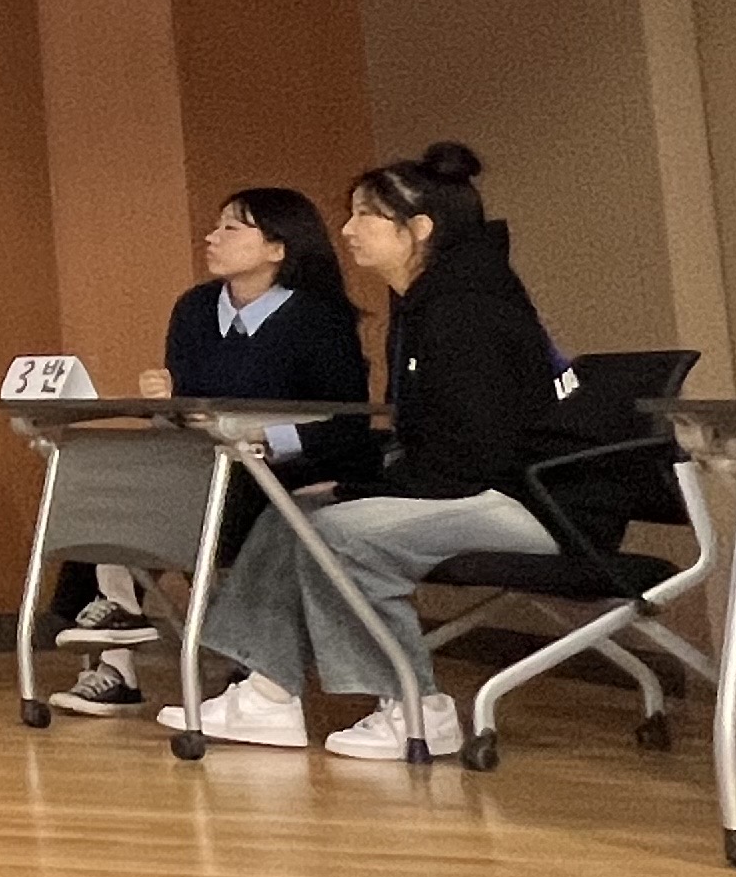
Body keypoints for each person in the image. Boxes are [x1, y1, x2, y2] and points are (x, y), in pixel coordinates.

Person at [168, 143, 573, 761]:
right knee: (291, 513)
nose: (348, 230)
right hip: (469, 485)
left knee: (337, 534)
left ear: (419, 229)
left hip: (525, 498)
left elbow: (475, 450)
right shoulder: (423, 300)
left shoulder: (467, 307)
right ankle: (269, 694)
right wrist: (359, 483)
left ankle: (416, 706)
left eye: (366, 216)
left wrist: (362, 489)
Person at [45, 188, 369, 718]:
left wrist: (263, 439)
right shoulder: (195, 309)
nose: (212, 238)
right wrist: (166, 400)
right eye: (216, 227)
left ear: (277, 248)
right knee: (109, 490)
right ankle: (116, 662)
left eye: (232, 228)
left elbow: (345, 424)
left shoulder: (319, 319)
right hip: (200, 463)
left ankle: (130, 620)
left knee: (179, 496)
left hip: (284, 471)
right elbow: (189, 410)